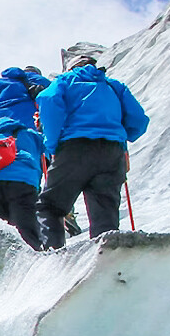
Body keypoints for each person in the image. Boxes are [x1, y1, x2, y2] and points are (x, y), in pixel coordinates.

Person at [35, 52, 149, 248]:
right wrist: (123, 135)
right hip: (113, 152)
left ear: (72, 67)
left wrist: (52, 144)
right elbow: (139, 120)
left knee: (49, 207)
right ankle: (105, 263)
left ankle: (52, 259)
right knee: (105, 217)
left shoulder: (66, 81)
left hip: (74, 148)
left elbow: (48, 99)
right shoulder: (114, 86)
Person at [0, 115, 46, 249]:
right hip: (22, 184)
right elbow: (49, 147)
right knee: (26, 232)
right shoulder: (30, 135)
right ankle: (30, 263)